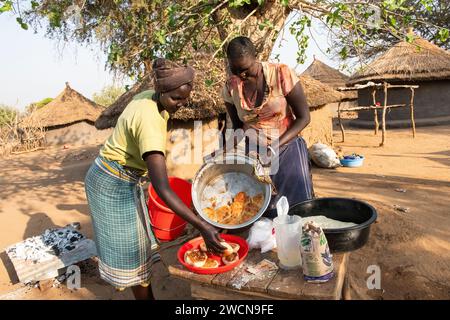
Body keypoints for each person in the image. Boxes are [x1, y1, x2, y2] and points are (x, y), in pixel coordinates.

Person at [84, 58, 225, 300]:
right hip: (110, 185)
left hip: (120, 177)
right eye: (176, 99)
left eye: (185, 98)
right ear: (161, 90)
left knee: (139, 243)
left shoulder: (149, 96)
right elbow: (162, 188)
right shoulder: (149, 121)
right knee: (132, 253)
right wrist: (203, 227)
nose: (181, 104)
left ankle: (144, 290)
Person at [220, 36, 314, 216]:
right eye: (235, 69)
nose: (241, 75)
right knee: (265, 207)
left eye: (246, 69)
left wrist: (274, 147)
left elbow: (304, 118)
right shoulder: (230, 87)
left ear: (256, 57)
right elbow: (239, 128)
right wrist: (223, 151)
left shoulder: (280, 74)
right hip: (256, 155)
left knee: (299, 208)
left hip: (288, 149)